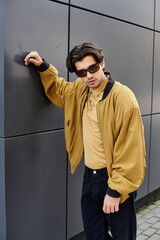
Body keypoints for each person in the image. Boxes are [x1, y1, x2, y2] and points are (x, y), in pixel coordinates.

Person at [24, 42, 146, 240]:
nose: (88, 76)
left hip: (115, 179)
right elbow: (60, 90)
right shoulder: (81, 91)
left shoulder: (122, 98)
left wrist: (115, 191)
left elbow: (131, 149)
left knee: (123, 236)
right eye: (81, 72)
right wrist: (43, 67)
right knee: (94, 236)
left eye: (93, 68)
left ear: (102, 63)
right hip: (90, 178)